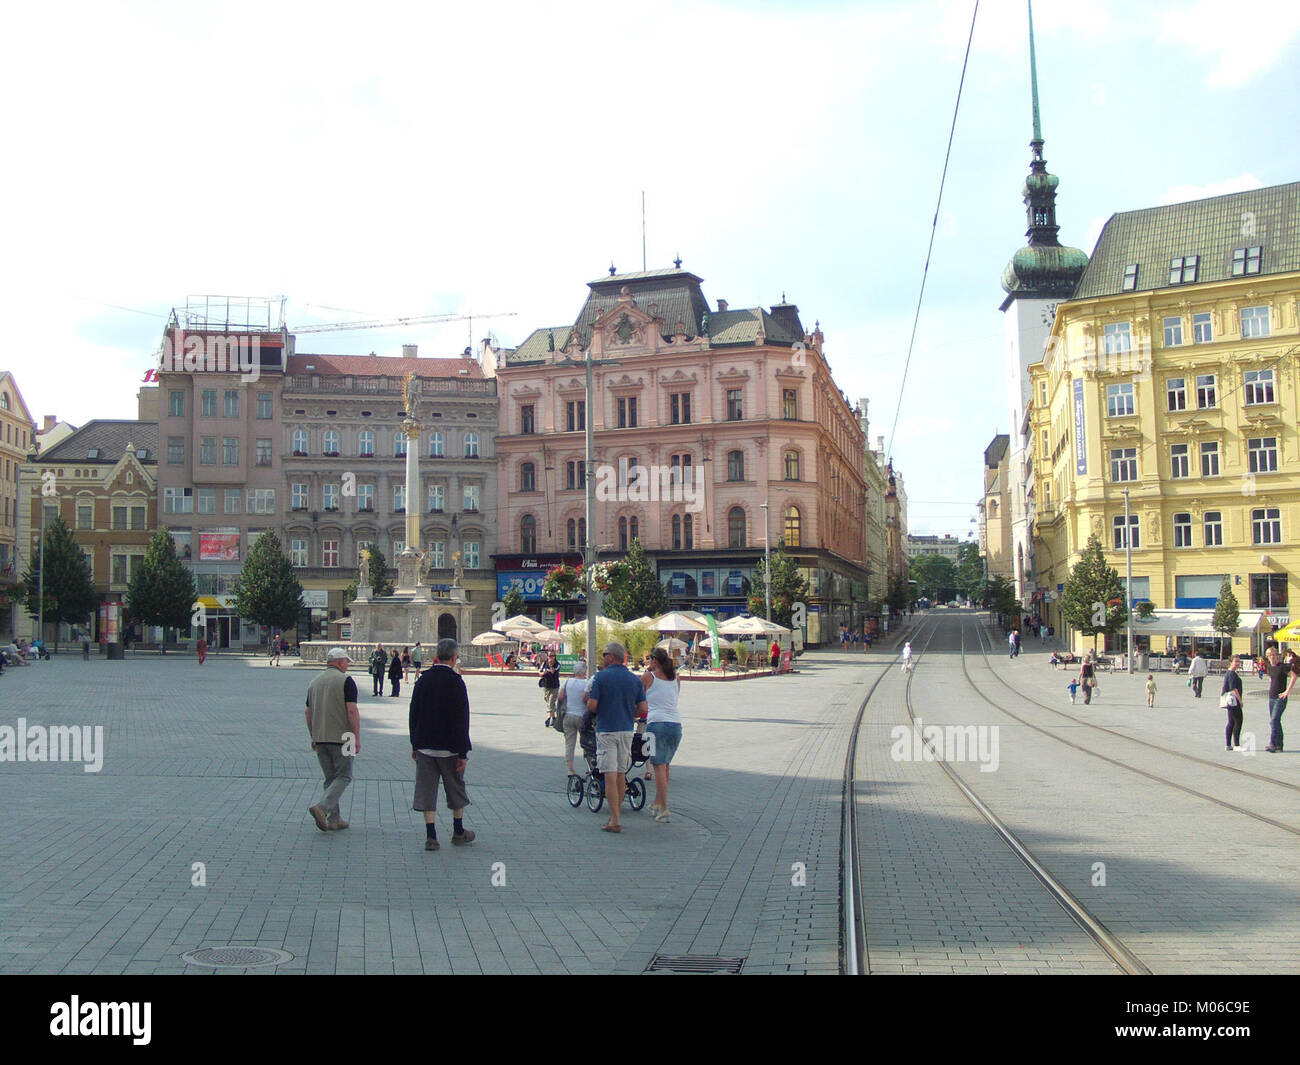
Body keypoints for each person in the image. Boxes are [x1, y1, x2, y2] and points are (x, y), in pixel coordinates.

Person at [408, 637, 476, 851]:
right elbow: (462, 719)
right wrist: (463, 752)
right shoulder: (456, 682)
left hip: (425, 747)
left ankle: (431, 836)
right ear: (454, 657)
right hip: (450, 749)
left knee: (427, 790)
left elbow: (413, 714)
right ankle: (458, 831)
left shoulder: (423, 680)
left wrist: (414, 744)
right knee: (455, 789)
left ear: (436, 656)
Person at [585, 641, 647, 833]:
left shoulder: (601, 678)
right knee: (621, 773)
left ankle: (615, 820)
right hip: (627, 730)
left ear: (611, 656)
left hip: (607, 730)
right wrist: (630, 713)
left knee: (609, 774)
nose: (602, 658)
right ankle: (616, 815)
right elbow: (643, 709)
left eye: (604, 654)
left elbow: (592, 705)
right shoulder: (634, 679)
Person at [305, 647, 360, 832]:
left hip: (320, 737)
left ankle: (334, 819)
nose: (347, 666)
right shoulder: (346, 681)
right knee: (344, 775)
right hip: (343, 737)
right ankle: (322, 808)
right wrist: (356, 737)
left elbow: (308, 712)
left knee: (330, 778)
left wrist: (313, 735)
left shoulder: (314, 682)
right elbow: (351, 710)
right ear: (339, 661)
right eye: (346, 662)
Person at [642, 648, 682, 822]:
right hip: (675, 724)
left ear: (655, 660)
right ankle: (657, 802)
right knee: (664, 765)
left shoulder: (648, 677)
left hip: (656, 723)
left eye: (650, 658)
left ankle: (665, 807)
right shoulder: (676, 678)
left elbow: (640, 698)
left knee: (657, 765)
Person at [1265, 644, 1297, 753]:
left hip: (1280, 698)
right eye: (1271, 655)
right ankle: (1279, 745)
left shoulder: (1283, 666)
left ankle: (1272, 744)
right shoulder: (1270, 668)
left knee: (1273, 720)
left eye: (1275, 655)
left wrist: (1287, 692)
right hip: (1272, 697)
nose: (1273, 657)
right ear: (1268, 657)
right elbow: (1271, 679)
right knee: (1276, 721)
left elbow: (1294, 676)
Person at [561, 660, 590, 776]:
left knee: (569, 743)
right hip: (582, 717)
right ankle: (590, 767)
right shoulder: (587, 683)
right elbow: (586, 698)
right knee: (587, 743)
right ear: (584, 671)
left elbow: (560, 696)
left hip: (568, 715)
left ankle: (570, 769)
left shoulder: (567, 682)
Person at [1221, 655, 1244, 752]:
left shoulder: (1230, 673)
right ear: (1231, 662)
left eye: (1239, 661)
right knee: (1238, 721)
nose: (1238, 663)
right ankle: (1236, 745)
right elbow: (1233, 688)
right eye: (1236, 661)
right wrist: (1240, 700)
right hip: (1233, 701)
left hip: (1231, 701)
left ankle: (1228, 745)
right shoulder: (1231, 674)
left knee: (1231, 722)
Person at [539, 649, 562, 727]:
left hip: (554, 686)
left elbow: (553, 672)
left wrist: (551, 665)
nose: (551, 658)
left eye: (553, 656)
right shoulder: (544, 664)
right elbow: (539, 672)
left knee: (551, 701)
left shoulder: (557, 664)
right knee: (547, 700)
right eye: (549, 656)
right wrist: (543, 673)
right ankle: (554, 717)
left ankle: (549, 718)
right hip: (546, 686)